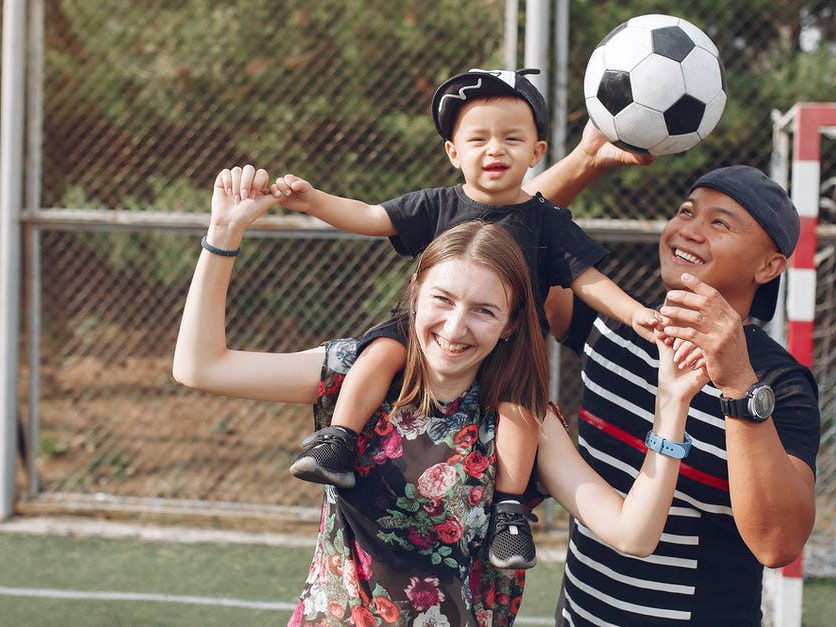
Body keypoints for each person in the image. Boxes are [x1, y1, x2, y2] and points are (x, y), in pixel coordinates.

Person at [172, 164, 706, 626]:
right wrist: (224, 232)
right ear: (415, 296)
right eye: (443, 300)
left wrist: (672, 408)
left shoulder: (524, 419)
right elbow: (200, 367)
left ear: (513, 323)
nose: (455, 327)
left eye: (484, 310)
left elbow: (633, 534)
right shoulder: (361, 373)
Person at [267, 68, 659, 569]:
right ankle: (338, 440)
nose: (494, 150)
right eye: (478, 139)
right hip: (423, 337)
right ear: (454, 153)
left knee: (522, 411)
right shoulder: (436, 204)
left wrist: (637, 313)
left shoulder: (548, 219)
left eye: (511, 138)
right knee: (380, 352)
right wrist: (312, 201)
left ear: (537, 152)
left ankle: (509, 512)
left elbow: (587, 279)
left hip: (510, 346)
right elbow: (368, 216)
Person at [528, 124, 822, 625]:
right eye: (686, 211)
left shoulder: (777, 383)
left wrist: (736, 385)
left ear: (769, 266)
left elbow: (778, 544)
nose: (688, 228)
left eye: (720, 223)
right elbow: (506, 237)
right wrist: (586, 159)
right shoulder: (619, 325)